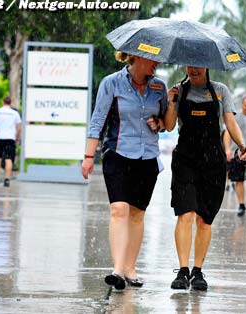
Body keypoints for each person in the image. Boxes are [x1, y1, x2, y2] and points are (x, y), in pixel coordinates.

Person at [81, 52, 167, 291]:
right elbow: (98, 120)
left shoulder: (160, 86)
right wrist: (88, 157)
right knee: (119, 210)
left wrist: (159, 122)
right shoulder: (111, 83)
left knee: (138, 214)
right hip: (117, 153)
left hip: (147, 157)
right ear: (137, 58)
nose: (157, 65)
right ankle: (117, 270)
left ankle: (130, 267)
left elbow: (167, 121)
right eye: (153, 60)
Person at [165, 66, 246, 291]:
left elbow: (230, 123)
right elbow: (169, 125)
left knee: (205, 218)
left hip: (212, 161)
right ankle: (182, 271)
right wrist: (171, 102)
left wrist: (242, 146)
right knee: (185, 213)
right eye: (189, 66)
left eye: (197, 65)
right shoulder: (178, 91)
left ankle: (198, 271)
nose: (193, 70)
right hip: (185, 159)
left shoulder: (220, 91)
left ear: (206, 66)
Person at [0, 96, 22, 187]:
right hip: (10, 139)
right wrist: (18, 137)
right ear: (11, 103)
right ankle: (6, 180)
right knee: (8, 159)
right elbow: (19, 127)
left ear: (3, 102)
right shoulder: (15, 113)